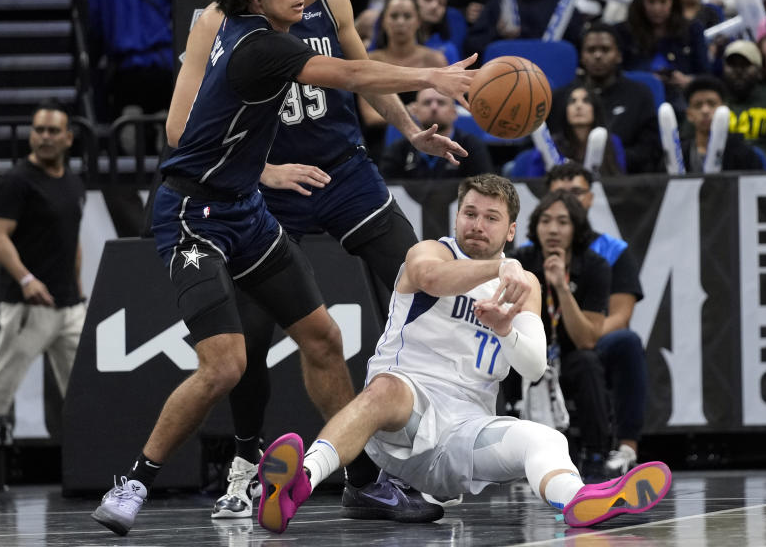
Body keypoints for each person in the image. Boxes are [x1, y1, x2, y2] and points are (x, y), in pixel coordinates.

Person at [91, 0, 478, 536]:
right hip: (195, 213)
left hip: (247, 208)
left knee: (324, 337)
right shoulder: (256, 45)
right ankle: (136, 477)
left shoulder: (274, 12)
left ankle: (364, 479)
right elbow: (350, 76)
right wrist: (432, 75)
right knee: (225, 366)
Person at [255, 175, 671, 534]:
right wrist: (498, 269)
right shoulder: (432, 252)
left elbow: (532, 366)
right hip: (404, 415)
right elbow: (431, 278)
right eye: (469, 213)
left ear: (510, 231)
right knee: (383, 390)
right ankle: (297, 484)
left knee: (543, 438)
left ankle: (577, 500)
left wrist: (505, 328)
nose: (477, 224)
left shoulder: (523, 284)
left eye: (491, 218)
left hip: (464, 432)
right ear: (457, 216)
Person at [0, 100, 86, 422]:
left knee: (86, 390)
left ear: (68, 137)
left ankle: (92, 463)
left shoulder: (72, 182)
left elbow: (72, 239)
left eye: (53, 131)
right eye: (39, 130)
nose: (45, 137)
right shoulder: (16, 181)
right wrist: (26, 280)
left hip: (69, 308)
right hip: (29, 307)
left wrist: (77, 289)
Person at [545, 163, 648, 477]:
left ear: (590, 198)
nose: (569, 199)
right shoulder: (532, 249)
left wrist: (583, 332)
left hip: (587, 341)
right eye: (559, 194)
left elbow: (621, 316)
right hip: (538, 345)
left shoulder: (610, 251)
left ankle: (626, 447)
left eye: (576, 192)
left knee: (627, 341)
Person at [512, 190, 614, 479]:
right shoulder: (520, 262)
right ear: (536, 227)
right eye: (545, 221)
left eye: (562, 222)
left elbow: (588, 339)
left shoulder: (595, 267)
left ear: (576, 229)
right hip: (528, 355)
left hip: (568, 356)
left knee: (588, 362)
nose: (553, 229)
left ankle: (596, 455)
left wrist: (560, 287)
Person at [547, 23, 662, 174]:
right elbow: (552, 142)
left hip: (627, 178)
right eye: (591, 50)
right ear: (582, 56)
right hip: (568, 175)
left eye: (605, 49)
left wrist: (610, 159)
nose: (598, 55)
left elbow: (650, 149)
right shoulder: (562, 97)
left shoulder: (640, 94)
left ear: (619, 55)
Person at [359, 0, 447, 161]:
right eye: (394, 16)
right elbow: (370, 117)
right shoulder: (370, 60)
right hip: (380, 140)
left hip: (428, 133)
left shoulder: (435, 59)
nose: (400, 22)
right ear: (383, 21)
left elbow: (445, 108)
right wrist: (409, 113)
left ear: (418, 21)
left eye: (407, 16)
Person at [617, 0, 708, 112]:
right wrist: (646, 78)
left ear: (673, 1)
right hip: (636, 98)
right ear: (641, 2)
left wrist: (688, 80)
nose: (657, 8)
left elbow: (706, 74)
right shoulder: (624, 31)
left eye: (663, 1)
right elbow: (616, 73)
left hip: (682, 98)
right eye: (651, 2)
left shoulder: (692, 29)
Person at [380, 87, 493, 178]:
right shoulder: (399, 148)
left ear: (454, 113)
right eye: (427, 103)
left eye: (441, 102)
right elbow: (389, 189)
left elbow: (485, 187)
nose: (434, 107)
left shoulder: (472, 146)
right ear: (415, 112)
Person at [682, 76, 766, 172]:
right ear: (689, 114)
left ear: (725, 109)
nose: (705, 110)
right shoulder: (680, 154)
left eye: (712, 104)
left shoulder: (745, 154)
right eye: (698, 105)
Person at [414, 0, 467, 64]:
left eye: (441, 3)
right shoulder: (398, 41)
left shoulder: (449, 49)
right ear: (412, 1)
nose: (434, 6)